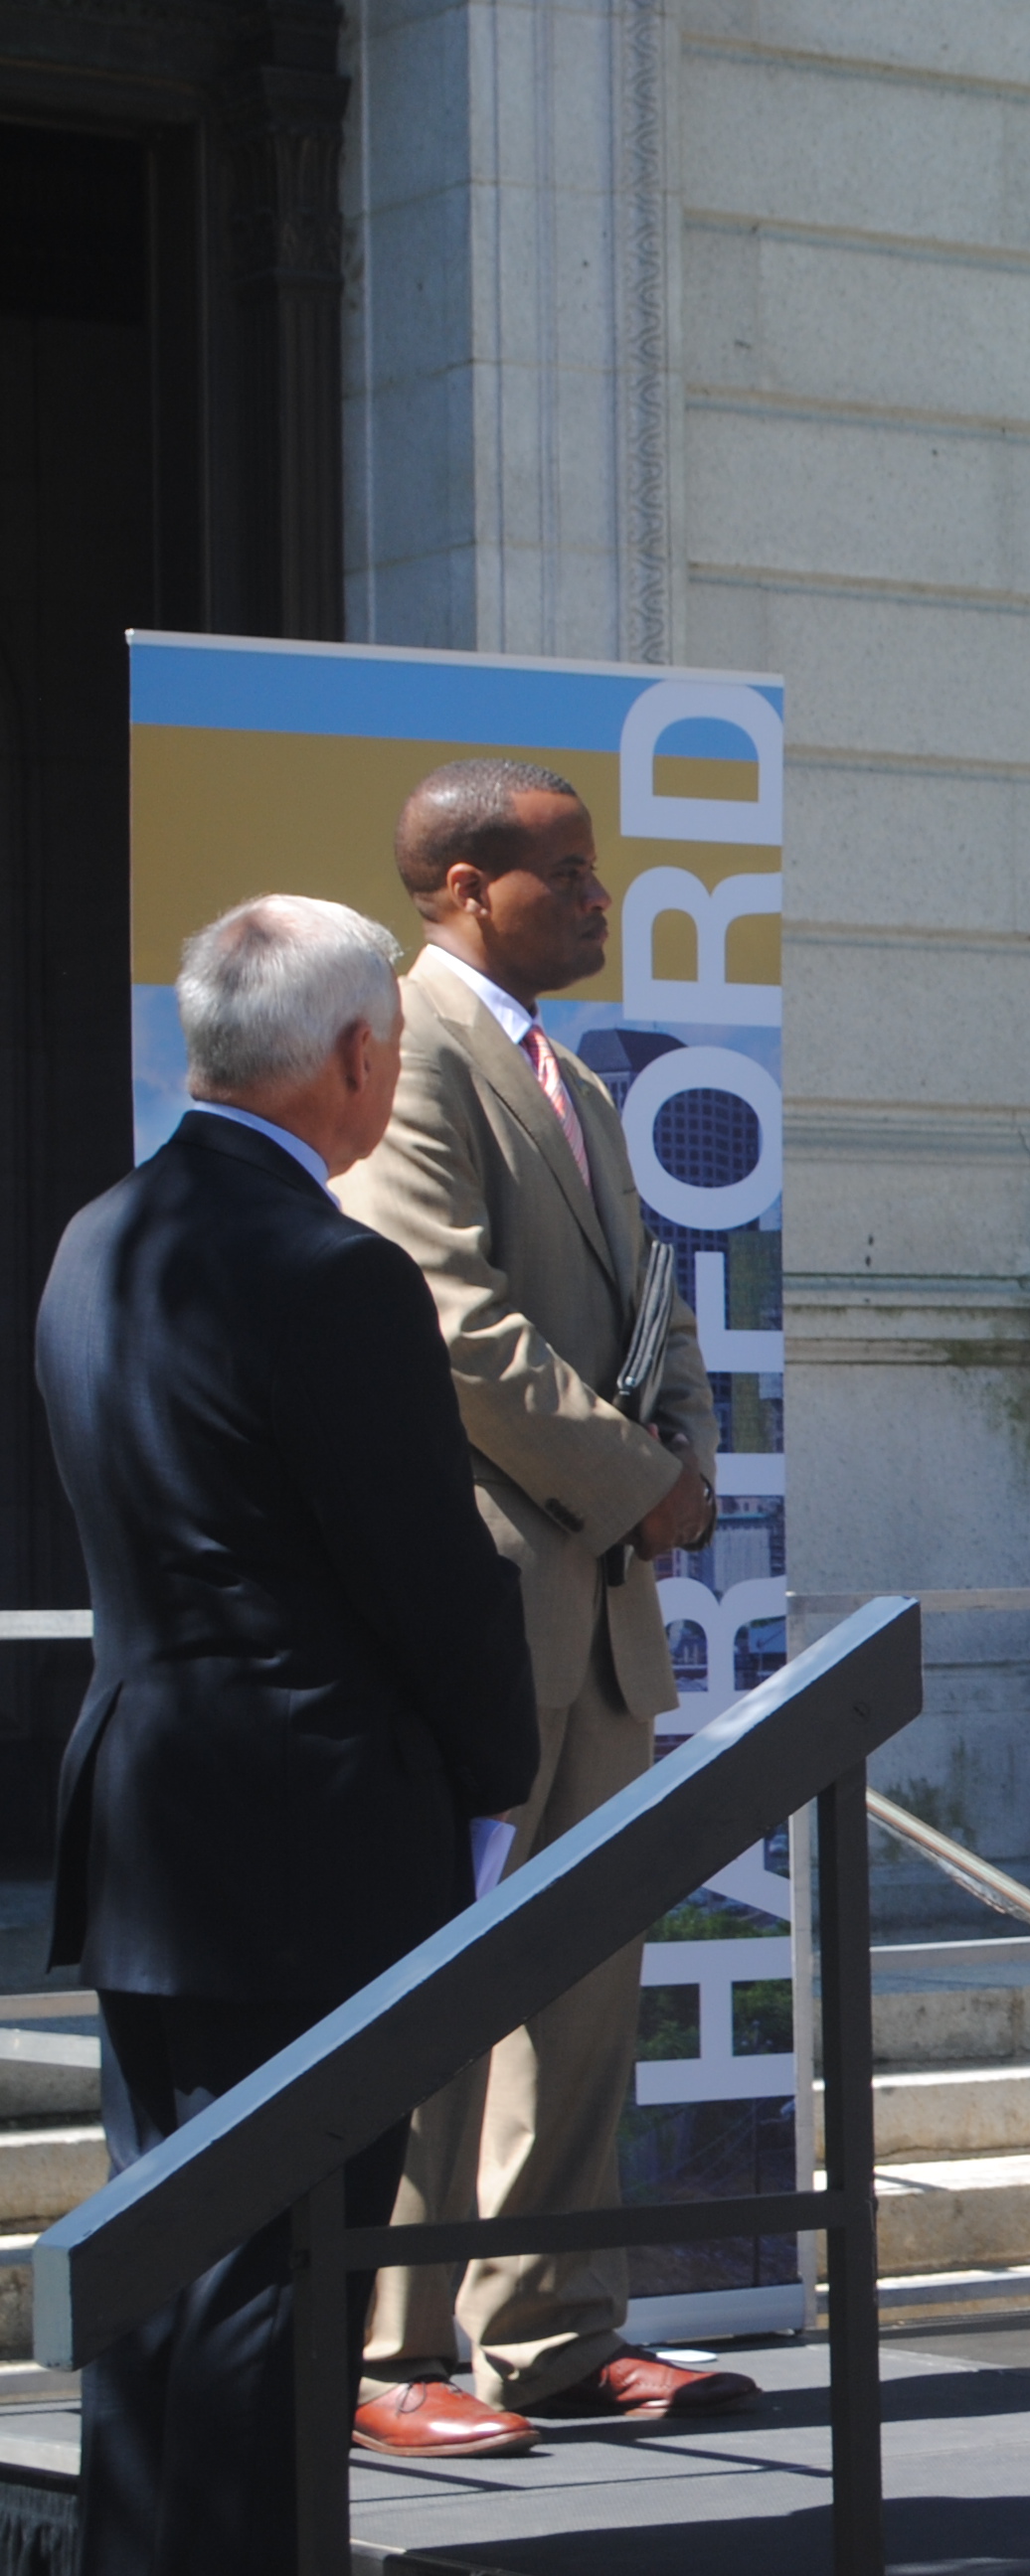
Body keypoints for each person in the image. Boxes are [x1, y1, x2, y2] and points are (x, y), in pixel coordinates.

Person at [36, 897, 542, 2565]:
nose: (393, 1070)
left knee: (155, 2248)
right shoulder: (332, 1269)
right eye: (391, 1043)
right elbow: (425, 1569)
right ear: (345, 1058)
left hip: (148, 1817)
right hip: (309, 1835)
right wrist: (496, 1782)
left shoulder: (94, 1235)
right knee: (282, 2267)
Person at [339, 760, 744, 2446]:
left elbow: (652, 1311)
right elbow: (447, 1314)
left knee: (582, 1985)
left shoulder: (567, 1070)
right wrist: (633, 1479)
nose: (598, 899)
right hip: (483, 1598)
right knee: (441, 1993)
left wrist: (688, 1449)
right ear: (458, 882)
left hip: (603, 1615)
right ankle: (390, 2351)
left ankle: (558, 2326)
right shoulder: (405, 1044)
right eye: (565, 873)